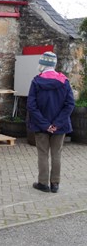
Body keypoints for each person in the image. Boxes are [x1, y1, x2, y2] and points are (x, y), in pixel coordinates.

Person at [27, 51, 75, 193]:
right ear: (54, 64)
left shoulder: (36, 81)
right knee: (56, 154)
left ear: (42, 64)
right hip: (59, 127)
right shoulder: (64, 82)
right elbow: (70, 104)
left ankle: (43, 183)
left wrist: (45, 125)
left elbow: (31, 106)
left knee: (43, 154)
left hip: (41, 126)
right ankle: (55, 184)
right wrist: (57, 124)